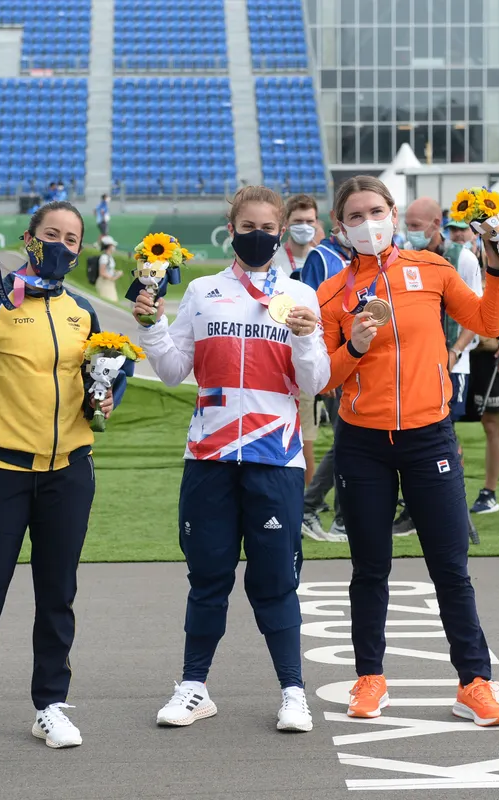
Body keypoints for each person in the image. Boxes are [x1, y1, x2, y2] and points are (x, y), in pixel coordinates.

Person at [0, 201, 133, 755]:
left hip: (69, 475)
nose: (62, 245)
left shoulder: (82, 311)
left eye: (72, 238)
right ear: (29, 238)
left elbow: (98, 391)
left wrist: (106, 397)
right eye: (51, 235)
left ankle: (50, 707)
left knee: (57, 595)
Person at [316, 175, 499, 726]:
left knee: (450, 567)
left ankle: (474, 683)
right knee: (369, 568)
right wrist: (354, 343)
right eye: (354, 216)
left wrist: (497, 266)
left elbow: (488, 322)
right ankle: (369, 679)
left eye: (375, 211)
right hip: (362, 444)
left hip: (430, 437)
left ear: (395, 212)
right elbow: (323, 379)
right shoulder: (331, 293)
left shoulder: (433, 269)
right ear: (340, 227)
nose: (368, 223)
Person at [134, 185, 329, 731]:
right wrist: (149, 324)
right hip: (211, 454)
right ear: (232, 230)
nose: (259, 235)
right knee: (209, 575)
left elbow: (314, 383)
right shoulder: (201, 291)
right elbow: (174, 371)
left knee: (275, 581)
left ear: (282, 228)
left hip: (276, 456)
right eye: (248, 226)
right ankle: (193, 686)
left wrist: (309, 341)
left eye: (269, 226)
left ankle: (294, 692)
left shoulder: (300, 297)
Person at [389, 196, 483, 538]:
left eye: (415, 226)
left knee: (445, 436)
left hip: (452, 362)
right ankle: (419, 508)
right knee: (417, 436)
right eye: (407, 225)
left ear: (435, 224)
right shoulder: (404, 256)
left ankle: (450, 511)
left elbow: (476, 311)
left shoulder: (464, 258)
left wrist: (455, 351)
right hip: (414, 364)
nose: (409, 232)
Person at [448, 220, 499, 515]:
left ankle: (489, 492)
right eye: (453, 229)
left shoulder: (497, 256)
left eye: (464, 229)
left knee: (491, 423)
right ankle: (448, 489)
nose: (458, 234)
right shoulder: (449, 259)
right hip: (456, 355)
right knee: (446, 425)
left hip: (487, 353)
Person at [300, 210, 354, 543]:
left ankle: (319, 509)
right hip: (335, 363)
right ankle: (327, 512)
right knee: (346, 443)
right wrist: (324, 371)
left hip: (359, 360)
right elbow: (310, 314)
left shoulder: (360, 257)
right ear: (337, 223)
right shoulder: (322, 257)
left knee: (349, 443)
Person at [273, 195, 322, 484]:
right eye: (298, 222)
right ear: (286, 225)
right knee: (290, 434)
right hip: (279, 354)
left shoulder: (324, 258)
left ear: (318, 224)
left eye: (309, 221)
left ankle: (309, 504)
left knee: (309, 435)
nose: (304, 227)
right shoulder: (272, 259)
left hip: (314, 355)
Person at [95, 235, 121, 303]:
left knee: (114, 301)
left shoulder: (109, 257)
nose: (114, 247)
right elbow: (102, 272)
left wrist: (117, 272)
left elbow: (109, 269)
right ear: (109, 246)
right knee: (108, 302)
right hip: (104, 283)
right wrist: (113, 278)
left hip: (109, 283)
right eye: (113, 245)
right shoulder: (104, 257)